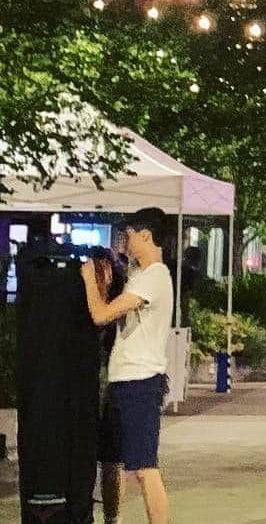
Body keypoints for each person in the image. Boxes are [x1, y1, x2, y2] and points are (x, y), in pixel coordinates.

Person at [81, 208, 173, 524]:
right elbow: (111, 314)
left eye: (130, 235)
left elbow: (100, 315)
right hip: (123, 380)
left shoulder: (156, 275)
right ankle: (112, 520)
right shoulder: (139, 275)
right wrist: (104, 284)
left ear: (146, 235)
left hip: (141, 382)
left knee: (144, 468)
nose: (126, 241)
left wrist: (87, 278)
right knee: (110, 462)